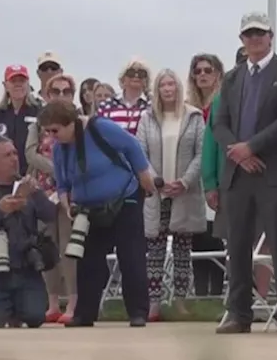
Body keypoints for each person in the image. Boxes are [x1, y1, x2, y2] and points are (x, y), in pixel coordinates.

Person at [211, 12, 277, 334]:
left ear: (271, 36)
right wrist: (238, 153)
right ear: (242, 40)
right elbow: (219, 123)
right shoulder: (233, 77)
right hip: (238, 173)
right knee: (236, 244)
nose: (254, 39)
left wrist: (251, 147)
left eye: (259, 34)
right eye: (248, 35)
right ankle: (239, 314)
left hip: (273, 170)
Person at [40, 99, 155, 327]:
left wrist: (144, 176)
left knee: (131, 256)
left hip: (124, 198)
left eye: (56, 130)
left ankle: (138, 312)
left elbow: (131, 146)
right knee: (88, 261)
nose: (53, 136)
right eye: (48, 131)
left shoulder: (100, 128)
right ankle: (85, 313)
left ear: (71, 123)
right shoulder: (59, 149)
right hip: (89, 208)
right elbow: (63, 183)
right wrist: (67, 205)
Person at [0, 136, 58, 329]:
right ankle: (8, 308)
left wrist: (37, 194)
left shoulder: (27, 187)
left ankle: (19, 308)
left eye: (15, 153)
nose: (15, 159)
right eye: (8, 155)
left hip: (26, 267)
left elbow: (50, 215)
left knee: (35, 317)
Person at [136, 68, 206, 321]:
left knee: (182, 250)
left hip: (183, 192)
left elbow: (202, 153)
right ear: (157, 90)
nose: (168, 89)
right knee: (154, 248)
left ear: (178, 87)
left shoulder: (194, 117)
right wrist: (156, 181)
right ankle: (153, 303)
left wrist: (185, 182)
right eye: (163, 85)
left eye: (171, 84)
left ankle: (180, 301)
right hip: (156, 192)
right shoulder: (147, 118)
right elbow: (139, 152)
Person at [25, 73, 81, 324]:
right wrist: (54, 168)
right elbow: (29, 153)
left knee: (70, 247)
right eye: (55, 91)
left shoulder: (78, 121)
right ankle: (52, 302)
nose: (60, 95)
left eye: (66, 91)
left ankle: (74, 301)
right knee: (48, 246)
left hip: (71, 192)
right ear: (46, 95)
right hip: (45, 191)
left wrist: (65, 174)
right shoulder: (37, 124)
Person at [187, 54, 227, 298]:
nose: (202, 74)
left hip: (216, 176)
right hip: (192, 179)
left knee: (215, 237)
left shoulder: (223, 104)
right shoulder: (188, 109)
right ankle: (200, 295)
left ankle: (215, 294)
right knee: (197, 238)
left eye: (208, 70)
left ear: (218, 74)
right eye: (197, 71)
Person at [0, 65, 42, 174]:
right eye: (13, 81)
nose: (18, 84)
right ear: (5, 85)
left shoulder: (39, 112)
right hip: (3, 175)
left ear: (28, 84)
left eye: (22, 80)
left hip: (32, 174)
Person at [98, 58, 152, 136]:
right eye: (131, 73)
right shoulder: (106, 105)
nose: (136, 76)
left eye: (141, 74)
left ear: (146, 81)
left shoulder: (151, 106)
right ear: (123, 79)